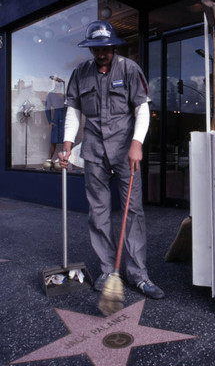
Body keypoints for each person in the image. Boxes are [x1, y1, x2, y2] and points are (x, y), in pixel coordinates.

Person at [59, 20, 164, 300]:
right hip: (93, 152)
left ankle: (138, 275)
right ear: (90, 49)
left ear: (113, 45)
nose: (101, 53)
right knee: (98, 212)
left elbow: (142, 109)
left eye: (105, 47)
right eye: (95, 49)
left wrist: (136, 144)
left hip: (125, 152)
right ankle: (108, 270)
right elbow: (73, 112)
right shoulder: (80, 73)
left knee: (133, 212)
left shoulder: (129, 69)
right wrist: (67, 145)